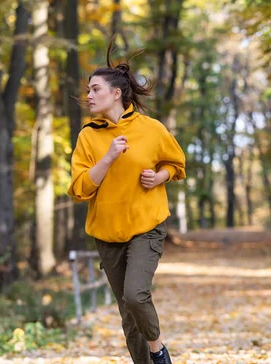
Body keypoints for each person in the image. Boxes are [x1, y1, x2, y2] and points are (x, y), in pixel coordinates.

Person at [67, 39, 186, 364]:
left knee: (135, 296)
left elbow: (176, 164)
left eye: (95, 89)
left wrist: (159, 177)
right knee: (127, 316)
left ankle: (159, 351)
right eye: (88, 90)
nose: (88, 96)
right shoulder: (88, 137)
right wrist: (107, 158)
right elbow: (79, 188)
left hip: (147, 226)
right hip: (107, 234)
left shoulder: (151, 129)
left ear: (116, 93)